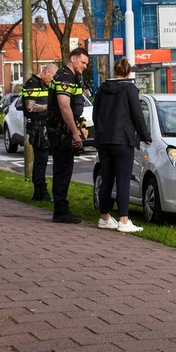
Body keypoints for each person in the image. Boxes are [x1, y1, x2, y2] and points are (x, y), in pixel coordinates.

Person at [93, 58, 152, 233]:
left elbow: (96, 114)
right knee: (123, 180)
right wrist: (145, 136)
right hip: (123, 140)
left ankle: (104, 218)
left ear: (114, 71)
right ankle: (124, 221)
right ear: (128, 73)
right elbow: (137, 115)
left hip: (104, 140)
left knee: (107, 179)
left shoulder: (102, 88)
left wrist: (100, 132)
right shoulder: (130, 89)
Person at [46, 47, 90, 224]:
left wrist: (81, 126)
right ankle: (60, 210)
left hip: (65, 130)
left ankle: (61, 208)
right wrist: (74, 132)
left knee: (65, 169)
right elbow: (64, 106)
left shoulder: (73, 78)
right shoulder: (65, 77)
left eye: (87, 63)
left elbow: (75, 108)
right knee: (62, 170)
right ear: (73, 58)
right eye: (82, 62)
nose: (85, 66)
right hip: (61, 132)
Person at [22, 64, 56, 202]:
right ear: (46, 72)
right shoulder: (32, 84)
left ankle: (40, 190)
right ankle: (39, 190)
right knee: (41, 159)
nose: (52, 81)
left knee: (44, 159)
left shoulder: (45, 84)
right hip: (38, 127)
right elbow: (30, 107)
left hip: (46, 126)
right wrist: (50, 106)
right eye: (52, 77)